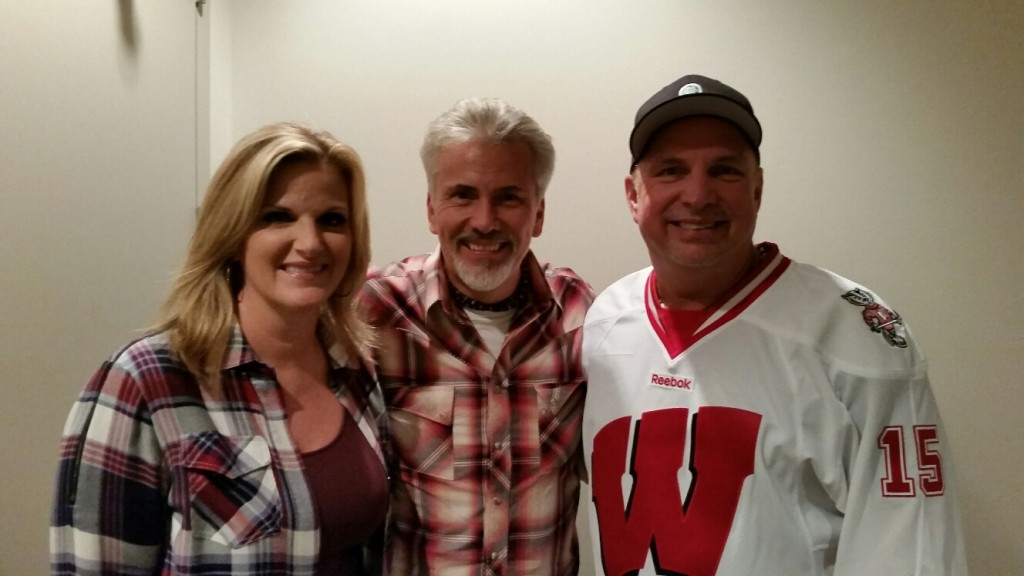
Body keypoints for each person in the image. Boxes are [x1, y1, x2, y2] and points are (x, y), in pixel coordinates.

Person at [581, 74, 967, 575]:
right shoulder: (605, 320)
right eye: (671, 171)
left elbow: (912, 554)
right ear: (634, 195)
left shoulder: (853, 336)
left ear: (758, 189)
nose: (697, 195)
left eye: (724, 171)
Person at [50, 123, 390, 575]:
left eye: (331, 220)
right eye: (277, 217)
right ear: (233, 235)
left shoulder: (357, 372)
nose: (309, 243)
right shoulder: (146, 380)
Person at [359, 98, 594, 575]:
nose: (485, 220)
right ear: (431, 208)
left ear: (539, 213)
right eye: (463, 195)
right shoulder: (375, 314)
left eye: (509, 197)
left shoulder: (581, 314)